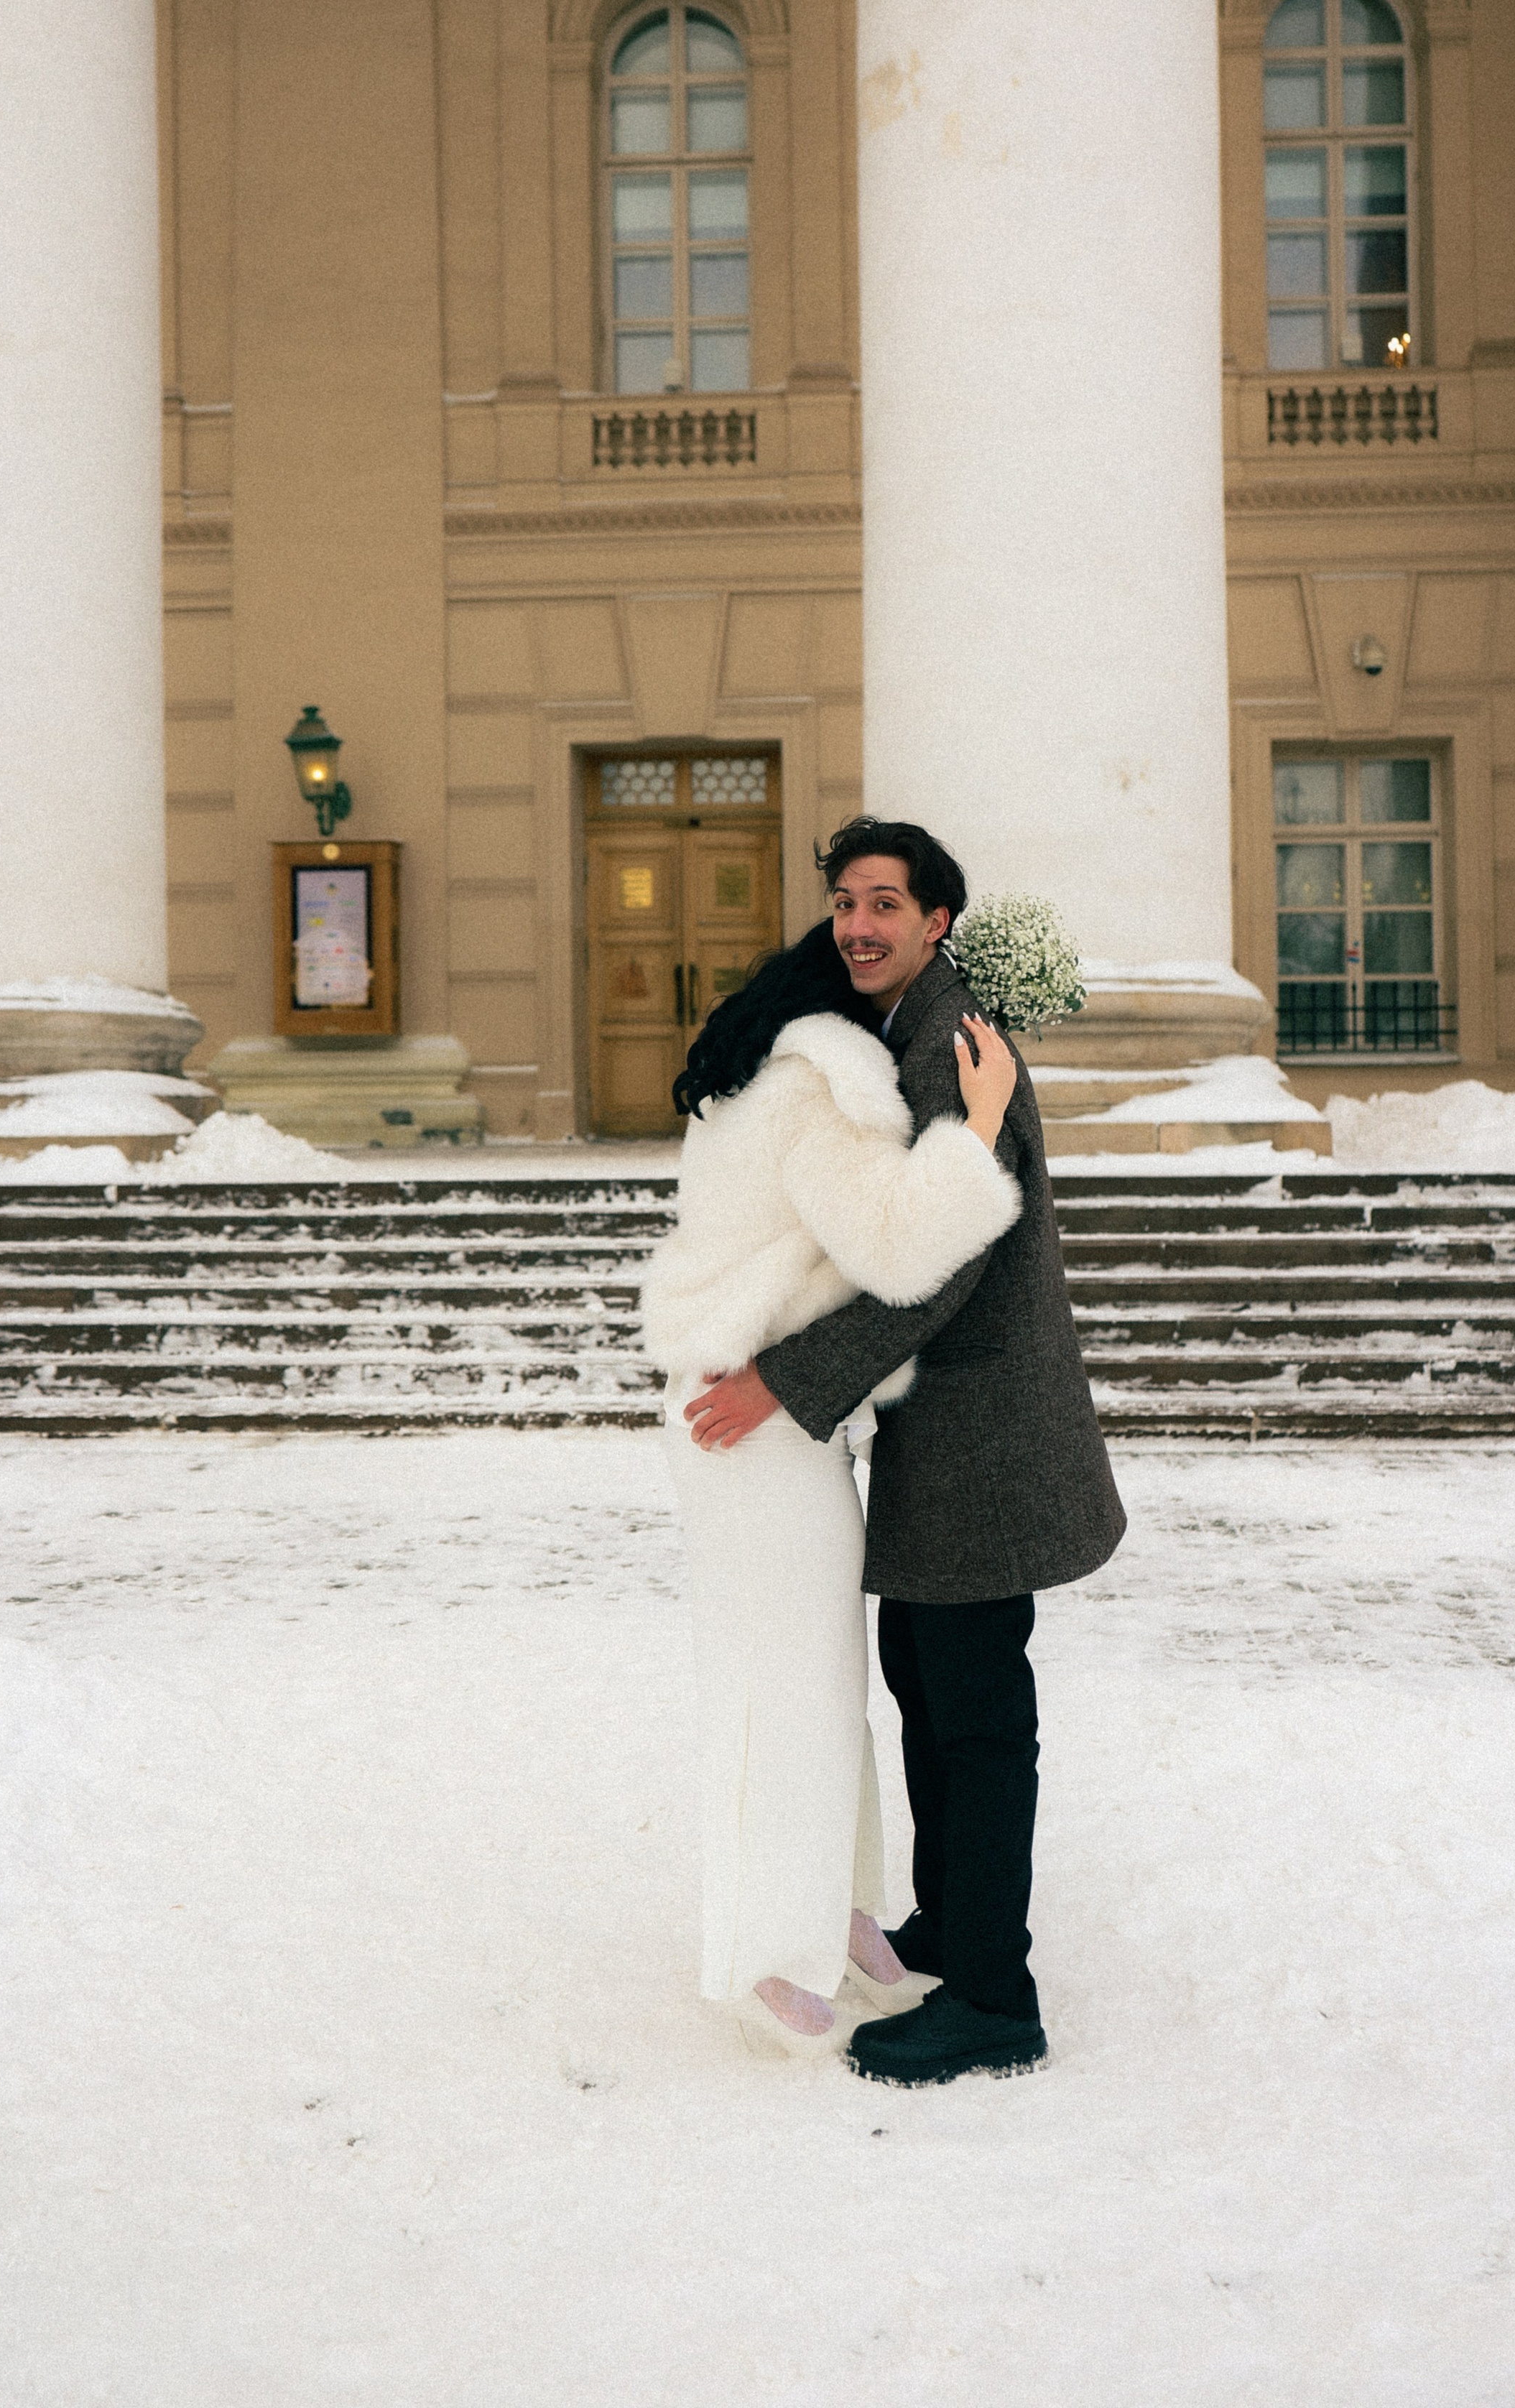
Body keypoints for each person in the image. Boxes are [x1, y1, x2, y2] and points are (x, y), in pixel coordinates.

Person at [684, 818, 1126, 2086]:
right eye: (845, 902)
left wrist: (785, 1382)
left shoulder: (947, 1045)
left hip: (987, 1437)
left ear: (938, 920)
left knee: (974, 1718)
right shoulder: (915, 1030)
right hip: (948, 1437)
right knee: (929, 1693)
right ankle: (956, 1925)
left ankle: (994, 1998)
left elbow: (936, 1267)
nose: (858, 925)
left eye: (885, 903)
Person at [641, 917, 1024, 2057]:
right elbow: (900, 1249)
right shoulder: (821, 1086)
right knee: (784, 1687)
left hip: (746, 1408)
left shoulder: (752, 1081)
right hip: (754, 1420)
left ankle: (837, 1912)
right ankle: (769, 1947)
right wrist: (979, 1128)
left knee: (814, 1679)